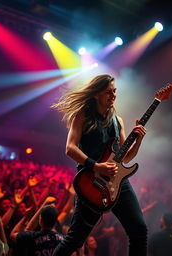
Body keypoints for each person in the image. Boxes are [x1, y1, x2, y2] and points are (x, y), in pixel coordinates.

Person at [51, 74, 148, 256]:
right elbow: (70, 148)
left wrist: (139, 140)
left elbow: (125, 158)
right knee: (75, 240)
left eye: (114, 91)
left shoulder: (118, 121)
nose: (113, 95)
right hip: (91, 182)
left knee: (139, 230)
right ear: (96, 94)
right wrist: (96, 166)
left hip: (117, 182)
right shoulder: (82, 115)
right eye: (108, 92)